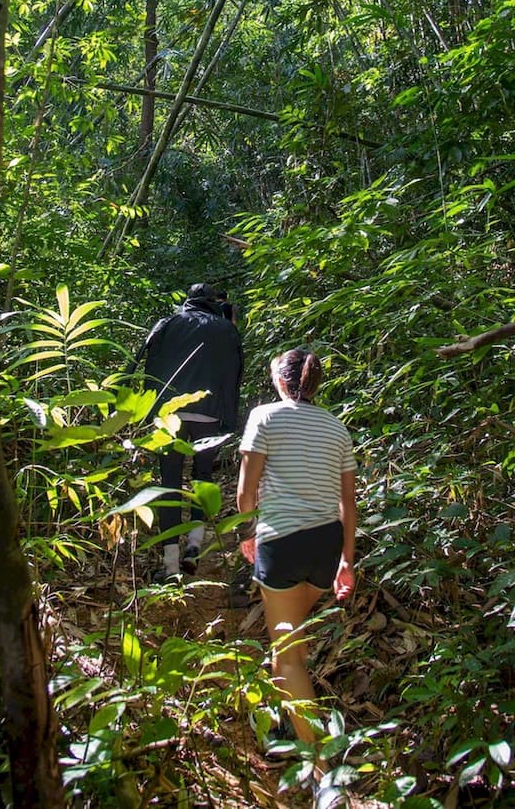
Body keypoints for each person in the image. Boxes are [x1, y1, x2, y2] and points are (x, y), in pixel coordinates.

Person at [236, 348, 357, 780]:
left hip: (282, 540)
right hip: (325, 547)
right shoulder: (337, 427)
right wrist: (347, 561)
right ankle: (278, 726)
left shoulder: (264, 416)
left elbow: (245, 492)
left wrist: (247, 533)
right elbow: (348, 503)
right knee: (290, 641)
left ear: (280, 381)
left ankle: (320, 765)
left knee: (290, 658)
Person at [129, 283, 243, 578]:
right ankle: (194, 545)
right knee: (202, 478)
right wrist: (229, 419)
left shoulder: (168, 323)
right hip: (210, 415)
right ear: (213, 302)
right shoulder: (226, 329)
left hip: (170, 416)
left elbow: (143, 363)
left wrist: (144, 408)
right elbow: (234, 375)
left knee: (169, 483)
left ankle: (169, 563)